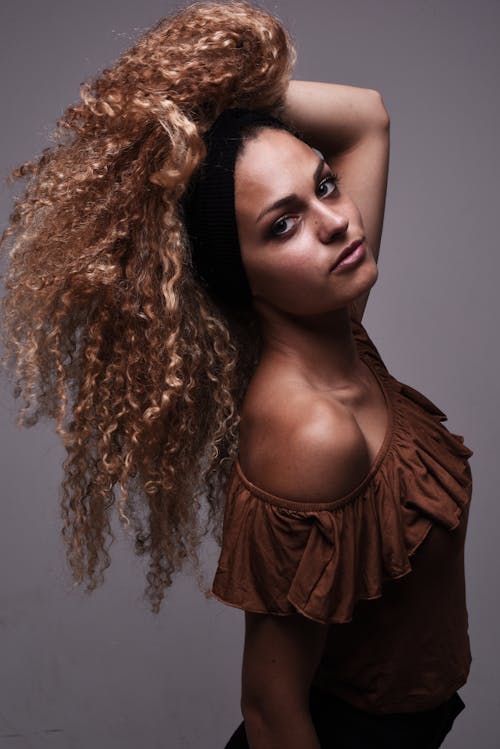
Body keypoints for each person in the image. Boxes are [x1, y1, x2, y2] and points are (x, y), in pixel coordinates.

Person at [0, 1, 473, 747]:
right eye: (280, 224)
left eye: (323, 185)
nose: (336, 221)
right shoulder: (309, 428)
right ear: (239, 276)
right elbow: (272, 711)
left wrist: (196, 108)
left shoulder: (339, 328)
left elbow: (365, 118)